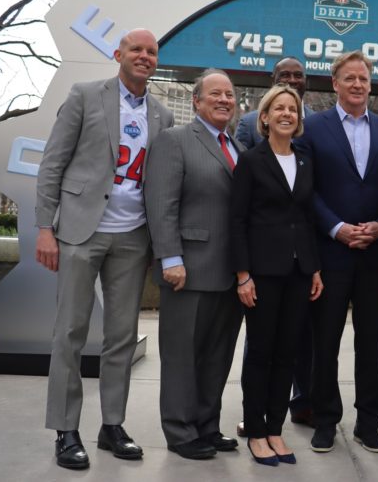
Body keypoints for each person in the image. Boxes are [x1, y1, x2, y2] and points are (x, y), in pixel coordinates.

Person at [35, 29, 174, 469]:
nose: (144, 56)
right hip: (81, 231)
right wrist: (45, 228)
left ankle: (112, 424)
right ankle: (65, 429)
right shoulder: (85, 95)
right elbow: (53, 162)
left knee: (122, 337)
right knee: (70, 332)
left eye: (151, 51)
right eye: (136, 49)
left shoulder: (162, 114)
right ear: (118, 54)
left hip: (133, 236)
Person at [298, 51, 378, 454]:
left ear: (370, 84)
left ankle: (369, 423)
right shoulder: (312, 128)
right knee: (324, 342)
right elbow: (306, 188)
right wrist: (337, 228)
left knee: (371, 343)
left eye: (363, 78)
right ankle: (325, 420)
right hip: (330, 253)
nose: (357, 84)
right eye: (349, 78)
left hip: (374, 254)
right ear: (335, 84)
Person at [144, 69, 244, 460]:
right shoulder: (175, 140)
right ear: (196, 101)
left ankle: (207, 425)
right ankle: (180, 430)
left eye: (229, 94)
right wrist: (170, 257)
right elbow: (161, 203)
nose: (224, 100)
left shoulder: (237, 147)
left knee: (217, 356)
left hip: (229, 273)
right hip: (187, 269)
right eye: (215, 94)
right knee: (182, 356)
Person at [230, 85, 324, 466]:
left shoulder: (304, 161)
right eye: (279, 108)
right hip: (262, 274)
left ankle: (275, 430)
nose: (287, 114)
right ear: (265, 117)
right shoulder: (251, 161)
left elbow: (307, 219)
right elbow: (237, 221)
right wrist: (243, 275)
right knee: (261, 354)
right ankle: (255, 432)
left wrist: (314, 268)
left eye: (293, 109)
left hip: (299, 273)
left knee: (287, 354)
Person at [235, 56, 313, 149]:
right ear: (273, 80)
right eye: (285, 75)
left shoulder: (319, 123)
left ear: (305, 80)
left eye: (298, 76)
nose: (292, 80)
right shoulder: (249, 123)